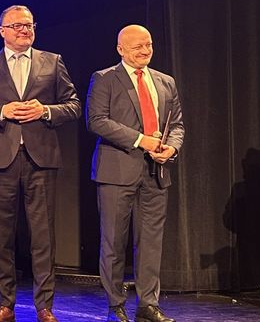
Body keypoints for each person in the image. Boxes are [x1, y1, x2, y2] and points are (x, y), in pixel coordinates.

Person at [0, 5, 81, 322]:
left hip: (40, 158)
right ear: (2, 31)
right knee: (2, 236)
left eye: (29, 24)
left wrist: (44, 111)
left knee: (43, 237)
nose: (24, 30)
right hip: (0, 159)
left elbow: (73, 105)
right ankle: (5, 305)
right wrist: (3, 111)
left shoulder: (52, 62)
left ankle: (44, 306)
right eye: (17, 25)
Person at [86, 25, 184, 322]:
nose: (145, 51)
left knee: (151, 242)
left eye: (148, 45)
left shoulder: (165, 81)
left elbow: (177, 124)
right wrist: (142, 140)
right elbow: (96, 121)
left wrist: (171, 148)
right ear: (120, 50)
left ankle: (148, 305)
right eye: (137, 47)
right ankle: (116, 304)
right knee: (114, 241)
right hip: (116, 171)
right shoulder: (104, 79)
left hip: (156, 172)